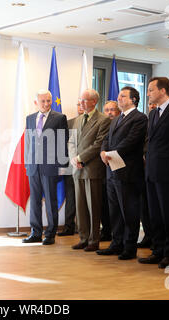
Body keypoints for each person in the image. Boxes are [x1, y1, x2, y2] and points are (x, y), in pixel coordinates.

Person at [138, 77, 169, 269]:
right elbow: (150, 140)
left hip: (168, 171)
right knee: (154, 214)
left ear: (163, 91)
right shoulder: (152, 114)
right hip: (150, 170)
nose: (148, 93)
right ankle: (157, 251)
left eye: (151, 90)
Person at [98, 87, 148, 260]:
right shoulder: (117, 119)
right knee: (115, 211)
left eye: (123, 96)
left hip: (128, 172)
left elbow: (131, 142)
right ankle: (116, 243)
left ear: (133, 100)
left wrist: (111, 153)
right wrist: (103, 152)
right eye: (119, 96)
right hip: (111, 170)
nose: (118, 98)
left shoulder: (140, 118)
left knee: (129, 211)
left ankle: (129, 247)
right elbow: (106, 139)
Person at [23, 89, 69, 245]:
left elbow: (63, 144)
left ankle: (50, 234)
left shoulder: (60, 118)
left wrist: (62, 167)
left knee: (50, 201)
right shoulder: (29, 118)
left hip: (50, 167)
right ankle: (35, 233)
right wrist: (27, 163)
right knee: (35, 201)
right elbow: (28, 143)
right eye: (43, 101)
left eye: (48, 100)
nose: (46, 104)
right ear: (36, 102)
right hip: (33, 167)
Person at [68, 89, 111, 251]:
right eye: (80, 100)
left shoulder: (103, 120)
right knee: (80, 206)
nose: (81, 103)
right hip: (77, 169)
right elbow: (71, 142)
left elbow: (99, 144)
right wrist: (74, 158)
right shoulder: (78, 120)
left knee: (93, 206)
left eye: (84, 100)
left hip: (92, 169)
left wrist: (81, 158)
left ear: (94, 102)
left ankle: (94, 240)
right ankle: (83, 237)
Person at [58, 101, 83, 236]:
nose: (80, 106)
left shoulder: (98, 121)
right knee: (71, 197)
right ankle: (68, 227)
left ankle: (85, 228)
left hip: (88, 165)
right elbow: (63, 145)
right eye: (78, 104)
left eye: (82, 103)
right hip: (70, 166)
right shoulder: (69, 122)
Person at [101, 100, 121, 241]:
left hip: (120, 168)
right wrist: (103, 152)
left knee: (118, 206)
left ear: (118, 111)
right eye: (107, 110)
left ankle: (118, 235)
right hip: (103, 169)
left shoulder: (121, 123)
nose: (109, 113)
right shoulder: (104, 125)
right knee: (105, 204)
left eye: (112, 109)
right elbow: (104, 142)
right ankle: (107, 231)